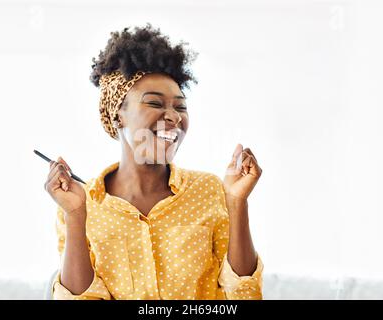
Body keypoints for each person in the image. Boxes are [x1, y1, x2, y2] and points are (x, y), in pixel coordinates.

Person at [44, 23, 263, 300]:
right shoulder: (82, 203)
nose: (173, 116)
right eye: (155, 104)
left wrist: (237, 202)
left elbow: (244, 295)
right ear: (118, 116)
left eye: (180, 106)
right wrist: (76, 216)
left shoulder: (209, 190)